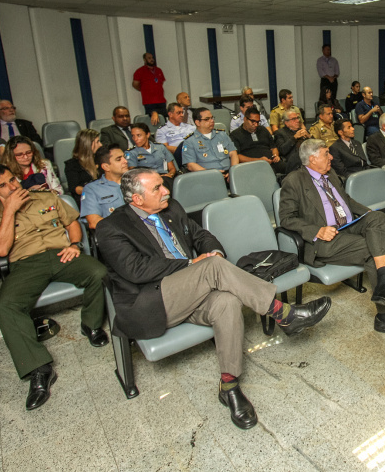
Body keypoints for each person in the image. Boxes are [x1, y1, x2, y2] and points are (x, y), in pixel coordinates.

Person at [96, 168, 331, 429]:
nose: (166, 191)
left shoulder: (170, 208)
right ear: (136, 200)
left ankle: (229, 386)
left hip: (194, 291)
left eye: (163, 185)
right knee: (211, 269)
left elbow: (201, 236)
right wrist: (193, 264)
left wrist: (214, 253)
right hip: (154, 301)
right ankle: (285, 315)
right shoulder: (111, 227)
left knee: (227, 302)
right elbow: (136, 270)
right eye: (157, 189)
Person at [0, 165, 108, 411]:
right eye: (3, 186)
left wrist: (75, 244)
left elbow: (71, 223)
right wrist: (9, 211)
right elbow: (1, 250)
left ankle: (91, 325)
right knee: (4, 306)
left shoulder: (46, 197)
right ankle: (39, 368)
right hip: (26, 264)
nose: (13, 186)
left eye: (12, 180)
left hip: (62, 253)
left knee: (99, 273)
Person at [279, 140, 385, 338]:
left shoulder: (331, 174)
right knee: (375, 249)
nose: (331, 157)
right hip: (326, 239)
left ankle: (384, 287)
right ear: (312, 159)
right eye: (326, 154)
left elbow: (347, 201)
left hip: (349, 226)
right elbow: (286, 218)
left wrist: (367, 213)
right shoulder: (294, 181)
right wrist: (317, 230)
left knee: (378, 217)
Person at [177, 107, 239, 179]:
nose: (212, 121)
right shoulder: (190, 141)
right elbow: (191, 165)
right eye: (207, 119)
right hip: (207, 176)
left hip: (229, 173)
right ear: (197, 122)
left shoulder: (222, 134)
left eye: (212, 118)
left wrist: (233, 172)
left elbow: (233, 153)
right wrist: (212, 174)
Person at [80, 145, 128, 229]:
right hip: (116, 234)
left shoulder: (137, 180)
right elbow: (94, 222)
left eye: (124, 157)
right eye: (119, 159)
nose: (125, 161)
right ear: (106, 167)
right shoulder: (92, 189)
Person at [229, 107, 286, 174]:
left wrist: (276, 155)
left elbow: (273, 147)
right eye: (253, 122)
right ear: (245, 119)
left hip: (272, 161)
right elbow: (237, 156)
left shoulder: (263, 130)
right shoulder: (235, 135)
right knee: (269, 172)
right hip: (252, 165)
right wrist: (259, 160)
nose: (255, 125)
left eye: (258, 122)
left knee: (290, 168)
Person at [125, 123, 176, 190]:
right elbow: (134, 174)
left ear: (148, 134)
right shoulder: (131, 153)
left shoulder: (161, 148)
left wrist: (170, 174)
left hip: (166, 179)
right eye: (133, 136)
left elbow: (172, 168)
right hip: (148, 183)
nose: (135, 139)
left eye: (139, 135)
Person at [63, 129, 101, 204]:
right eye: (97, 142)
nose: (100, 145)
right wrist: (94, 192)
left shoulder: (100, 159)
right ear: (88, 144)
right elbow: (75, 188)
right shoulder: (72, 165)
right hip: (86, 199)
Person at [131, 52, 167, 124]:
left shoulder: (158, 70)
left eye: (152, 58)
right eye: (149, 58)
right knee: (152, 122)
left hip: (161, 101)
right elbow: (135, 84)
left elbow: (161, 82)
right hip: (149, 102)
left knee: (163, 121)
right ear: (144, 60)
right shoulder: (139, 71)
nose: (152, 60)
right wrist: (145, 89)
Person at [274, 109, 311, 173]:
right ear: (286, 123)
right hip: (293, 163)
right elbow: (282, 150)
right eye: (294, 119)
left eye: (297, 118)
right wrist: (294, 138)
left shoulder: (303, 131)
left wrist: (309, 136)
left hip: (308, 159)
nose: (297, 121)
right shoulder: (280, 133)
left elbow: (317, 146)